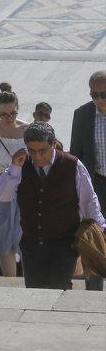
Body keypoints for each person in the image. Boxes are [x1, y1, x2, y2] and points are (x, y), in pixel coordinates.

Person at [0, 123, 106, 290]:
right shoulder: (20, 165)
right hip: (32, 244)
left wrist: (100, 229)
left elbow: (89, 202)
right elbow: (2, 195)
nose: (38, 156)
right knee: (35, 293)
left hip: (64, 244)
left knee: (59, 288)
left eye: (42, 151)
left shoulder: (72, 165)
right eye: (32, 151)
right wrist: (14, 168)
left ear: (53, 144)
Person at [70, 70, 106, 291]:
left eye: (104, 94)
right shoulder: (82, 114)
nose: (100, 100)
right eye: (95, 95)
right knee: (93, 234)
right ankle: (93, 289)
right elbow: (76, 154)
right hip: (96, 183)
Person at [0, 82, 27, 278]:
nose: (9, 118)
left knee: (24, 238)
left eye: (13, 113)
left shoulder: (27, 129)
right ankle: (10, 282)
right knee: (4, 240)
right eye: (4, 114)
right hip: (1, 192)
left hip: (24, 192)